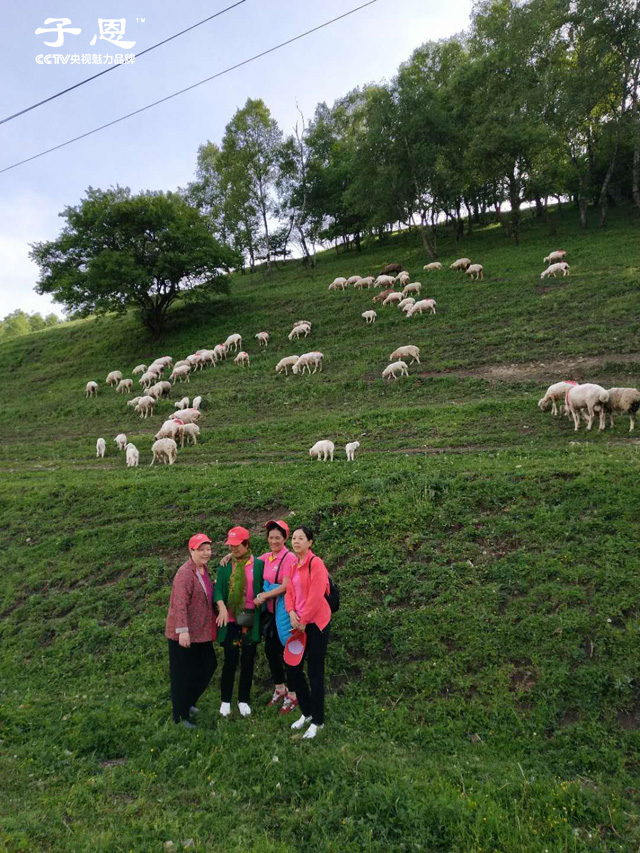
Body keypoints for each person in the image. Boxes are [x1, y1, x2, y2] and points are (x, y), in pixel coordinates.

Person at [165, 533, 217, 728]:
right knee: (182, 674)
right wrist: (182, 630)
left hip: (200, 631)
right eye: (201, 550)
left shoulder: (203, 570)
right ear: (191, 550)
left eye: (208, 549)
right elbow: (179, 603)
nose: (206, 553)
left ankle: (187, 701)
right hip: (183, 633)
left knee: (208, 665)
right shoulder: (185, 573)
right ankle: (180, 716)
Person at [285, 525, 331, 740]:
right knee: (293, 668)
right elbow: (289, 592)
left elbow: (316, 595)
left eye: (301, 538)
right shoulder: (293, 565)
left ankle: (318, 721)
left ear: (310, 542)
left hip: (316, 624)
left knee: (314, 671)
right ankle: (307, 712)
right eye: (294, 538)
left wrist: (303, 620)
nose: (296, 541)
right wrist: (291, 612)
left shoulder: (316, 563)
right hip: (299, 624)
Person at [214, 526, 264, 718]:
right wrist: (222, 607)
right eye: (231, 546)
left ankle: (243, 699)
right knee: (230, 660)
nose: (233, 549)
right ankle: (225, 700)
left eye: (236, 545)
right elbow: (218, 590)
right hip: (231, 618)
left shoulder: (257, 564)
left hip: (249, 618)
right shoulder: (226, 565)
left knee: (248, 660)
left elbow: (264, 585)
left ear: (246, 544)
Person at [256, 520, 298, 713]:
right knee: (270, 650)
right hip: (272, 615)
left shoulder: (289, 558)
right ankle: (280, 689)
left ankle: (294, 694)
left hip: (286, 614)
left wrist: (264, 596)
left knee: (288, 653)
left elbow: (285, 587)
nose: (273, 541)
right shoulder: (267, 557)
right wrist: (232, 555)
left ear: (285, 539)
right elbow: (249, 562)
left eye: (277, 538)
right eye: (271, 537)